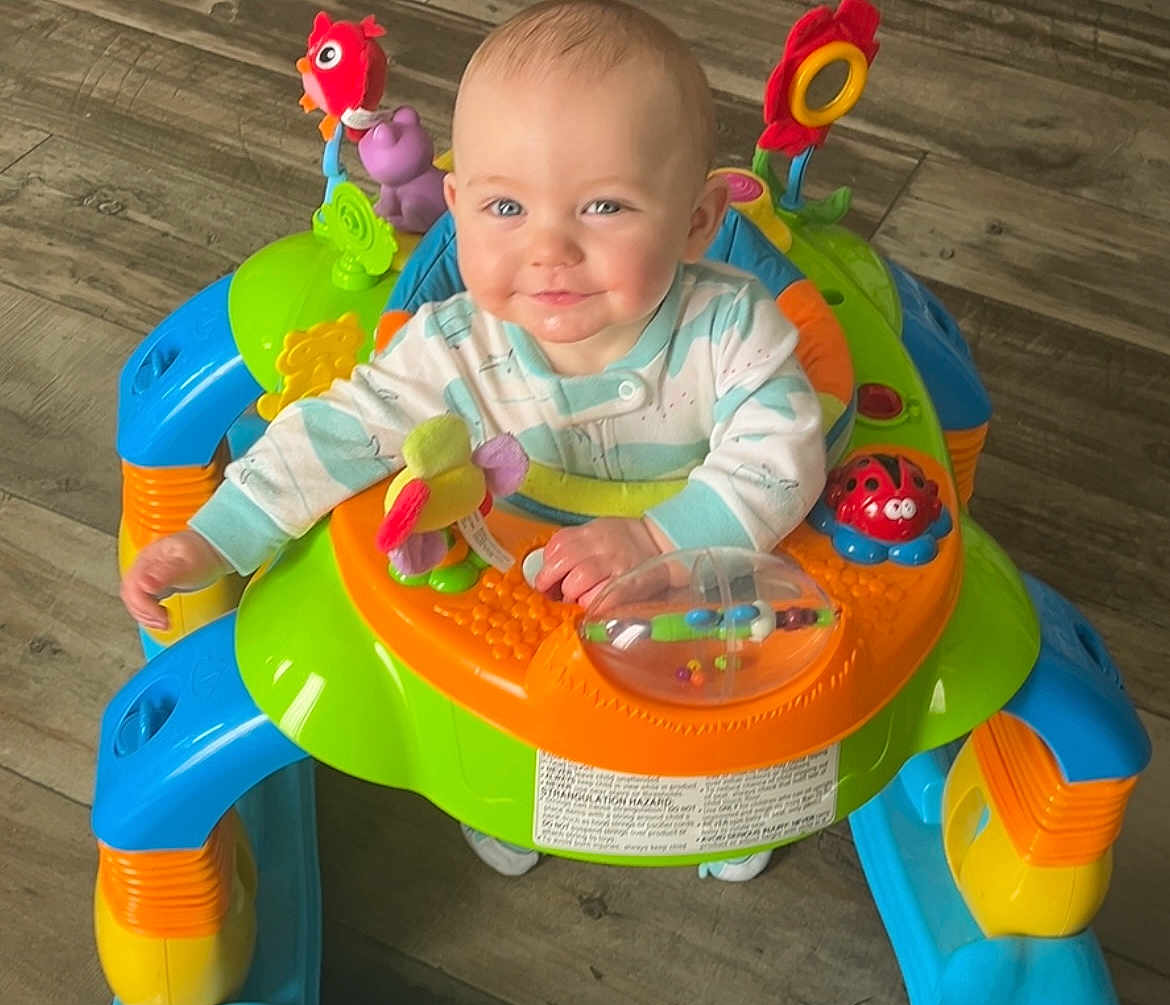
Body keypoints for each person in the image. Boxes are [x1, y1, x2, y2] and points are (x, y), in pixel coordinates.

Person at [120, 0, 827, 881]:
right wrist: (219, 534)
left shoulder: (729, 331)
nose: (549, 249)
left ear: (696, 220)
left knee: (725, 709)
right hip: (513, 597)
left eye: (604, 206)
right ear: (455, 210)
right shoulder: (454, 346)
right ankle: (504, 791)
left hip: (693, 591)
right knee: (492, 718)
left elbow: (783, 454)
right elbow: (337, 433)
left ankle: (720, 806)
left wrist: (660, 540)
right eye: (506, 206)